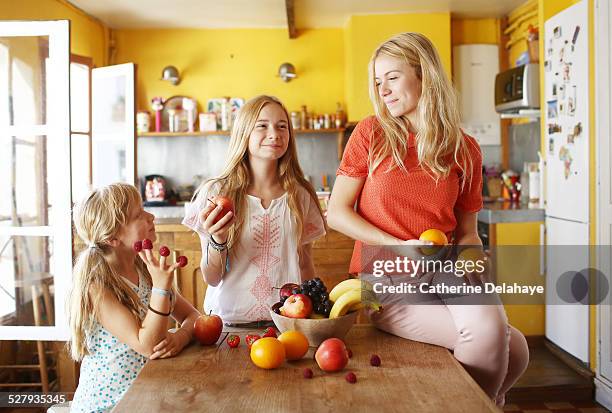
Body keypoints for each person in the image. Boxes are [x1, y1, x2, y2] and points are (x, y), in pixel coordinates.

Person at [326, 32, 529, 407]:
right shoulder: (371, 133)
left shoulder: (464, 148)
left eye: (392, 77)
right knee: (504, 343)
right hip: (381, 278)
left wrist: (472, 259)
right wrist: (398, 246)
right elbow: (336, 212)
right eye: (376, 81)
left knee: (517, 348)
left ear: (424, 75)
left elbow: (468, 232)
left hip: (447, 270)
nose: (382, 90)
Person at [183, 95, 326, 324]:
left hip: (286, 323)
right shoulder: (216, 193)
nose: (275, 134)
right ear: (244, 132)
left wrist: (315, 316)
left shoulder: (300, 195)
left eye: (282, 126)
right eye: (262, 125)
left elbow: (305, 264)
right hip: (229, 325)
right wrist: (218, 240)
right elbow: (212, 277)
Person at [69, 183, 200, 412]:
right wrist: (160, 288)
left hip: (148, 395)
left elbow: (193, 316)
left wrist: (181, 336)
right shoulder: (96, 286)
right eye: (139, 215)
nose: (151, 216)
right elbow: (147, 345)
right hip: (109, 406)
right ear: (112, 238)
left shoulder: (144, 269)